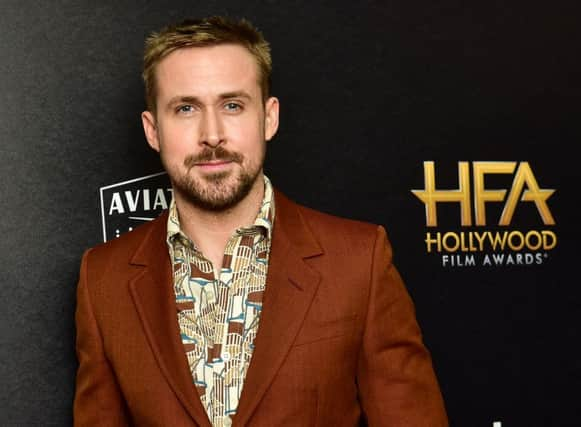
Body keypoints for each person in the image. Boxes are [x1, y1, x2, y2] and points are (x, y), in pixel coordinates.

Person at [73, 16, 448, 426]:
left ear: (269, 118)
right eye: (185, 108)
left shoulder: (359, 262)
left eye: (232, 105)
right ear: (152, 130)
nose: (212, 134)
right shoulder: (103, 281)